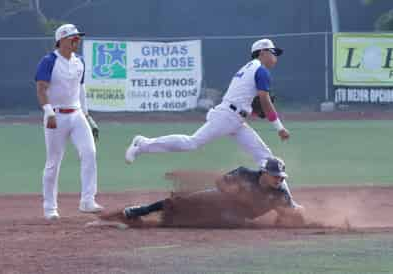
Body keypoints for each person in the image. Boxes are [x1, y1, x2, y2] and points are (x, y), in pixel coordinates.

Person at [125, 38, 297, 202]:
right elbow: (265, 101)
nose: (275, 57)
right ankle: (143, 144)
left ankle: (288, 202)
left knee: (266, 158)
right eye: (273, 52)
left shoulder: (248, 68)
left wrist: (250, 112)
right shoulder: (260, 70)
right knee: (192, 143)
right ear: (262, 52)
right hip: (227, 116)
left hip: (234, 119)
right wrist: (279, 127)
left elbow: (242, 99)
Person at [97, 157, 305, 228]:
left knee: (229, 221)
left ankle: (174, 222)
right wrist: (233, 193)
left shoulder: (281, 195)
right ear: (264, 173)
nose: (278, 180)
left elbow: (291, 212)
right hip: (220, 198)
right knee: (182, 201)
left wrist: (290, 216)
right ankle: (139, 211)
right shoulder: (245, 173)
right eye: (275, 175)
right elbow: (220, 181)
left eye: (281, 177)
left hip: (238, 216)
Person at [35, 24, 103, 220]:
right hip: (56, 115)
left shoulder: (79, 61)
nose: (77, 40)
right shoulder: (49, 61)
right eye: (74, 37)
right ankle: (50, 208)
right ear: (62, 40)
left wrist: (89, 117)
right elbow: (41, 88)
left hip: (77, 114)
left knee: (89, 152)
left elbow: (81, 90)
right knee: (53, 162)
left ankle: (87, 201)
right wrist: (48, 112)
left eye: (78, 37)